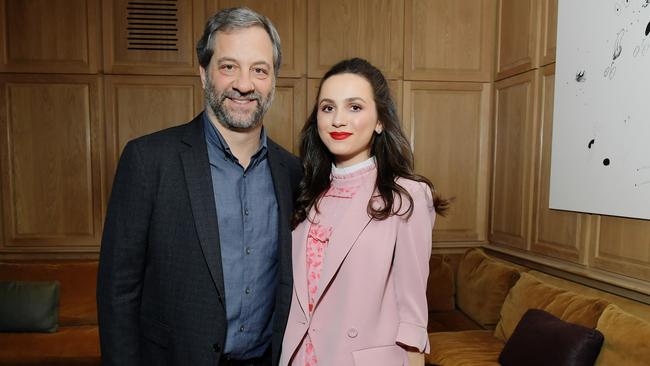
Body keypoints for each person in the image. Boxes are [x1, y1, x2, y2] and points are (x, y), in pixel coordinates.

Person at [97, 7, 301, 366]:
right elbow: (118, 293)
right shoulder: (148, 160)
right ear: (204, 74)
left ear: (274, 79)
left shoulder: (293, 172)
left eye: (259, 69)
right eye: (228, 67)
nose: (244, 84)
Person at [280, 58, 449, 366]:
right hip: (298, 355)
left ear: (380, 120)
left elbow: (412, 316)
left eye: (354, 107)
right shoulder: (304, 191)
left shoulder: (406, 196)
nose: (338, 120)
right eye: (328, 108)